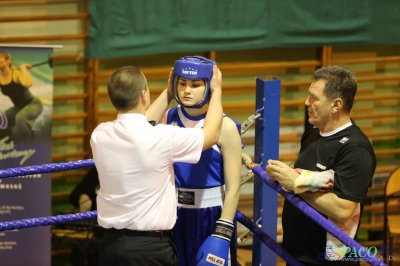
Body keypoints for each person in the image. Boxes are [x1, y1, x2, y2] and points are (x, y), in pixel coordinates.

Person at [90, 64, 224, 266]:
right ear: (144, 95)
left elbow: (141, 123)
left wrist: (169, 92)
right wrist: (216, 91)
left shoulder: (99, 134)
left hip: (110, 246)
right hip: (149, 250)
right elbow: (212, 134)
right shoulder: (161, 137)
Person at [266, 66, 376, 266]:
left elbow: (343, 210)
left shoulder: (356, 149)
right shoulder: (313, 132)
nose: (307, 102)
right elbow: (305, 170)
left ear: (336, 105)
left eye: (314, 97)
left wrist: (296, 183)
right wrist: (283, 173)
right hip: (295, 253)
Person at [163, 56, 242, 266]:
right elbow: (141, 128)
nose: (187, 90)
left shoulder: (225, 127)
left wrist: (222, 233)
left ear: (209, 87)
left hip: (211, 215)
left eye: (195, 84)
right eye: (182, 83)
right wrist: (167, 94)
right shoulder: (169, 117)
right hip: (173, 215)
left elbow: (234, 187)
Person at [0, 51, 43, 143]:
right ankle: (7, 144)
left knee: (20, 118)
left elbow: (28, 83)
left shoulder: (16, 73)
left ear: (8, 61)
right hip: (18, 107)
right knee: (2, 120)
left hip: (33, 104)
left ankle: (27, 146)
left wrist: (23, 68)